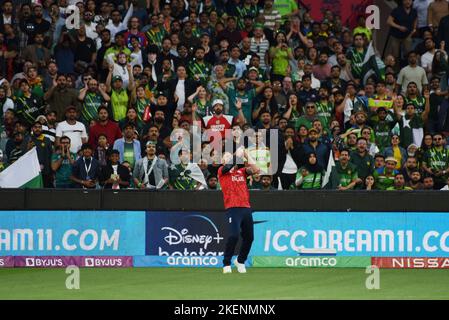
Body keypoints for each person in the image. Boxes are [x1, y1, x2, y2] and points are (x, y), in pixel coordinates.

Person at [218, 150, 260, 274]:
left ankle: (240, 261)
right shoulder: (221, 171)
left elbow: (256, 169)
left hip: (246, 207)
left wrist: (246, 154)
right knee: (234, 235)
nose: (229, 158)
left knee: (249, 237)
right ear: (222, 161)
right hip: (233, 208)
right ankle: (226, 263)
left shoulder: (241, 172)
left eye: (230, 156)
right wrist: (237, 154)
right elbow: (228, 167)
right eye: (226, 157)